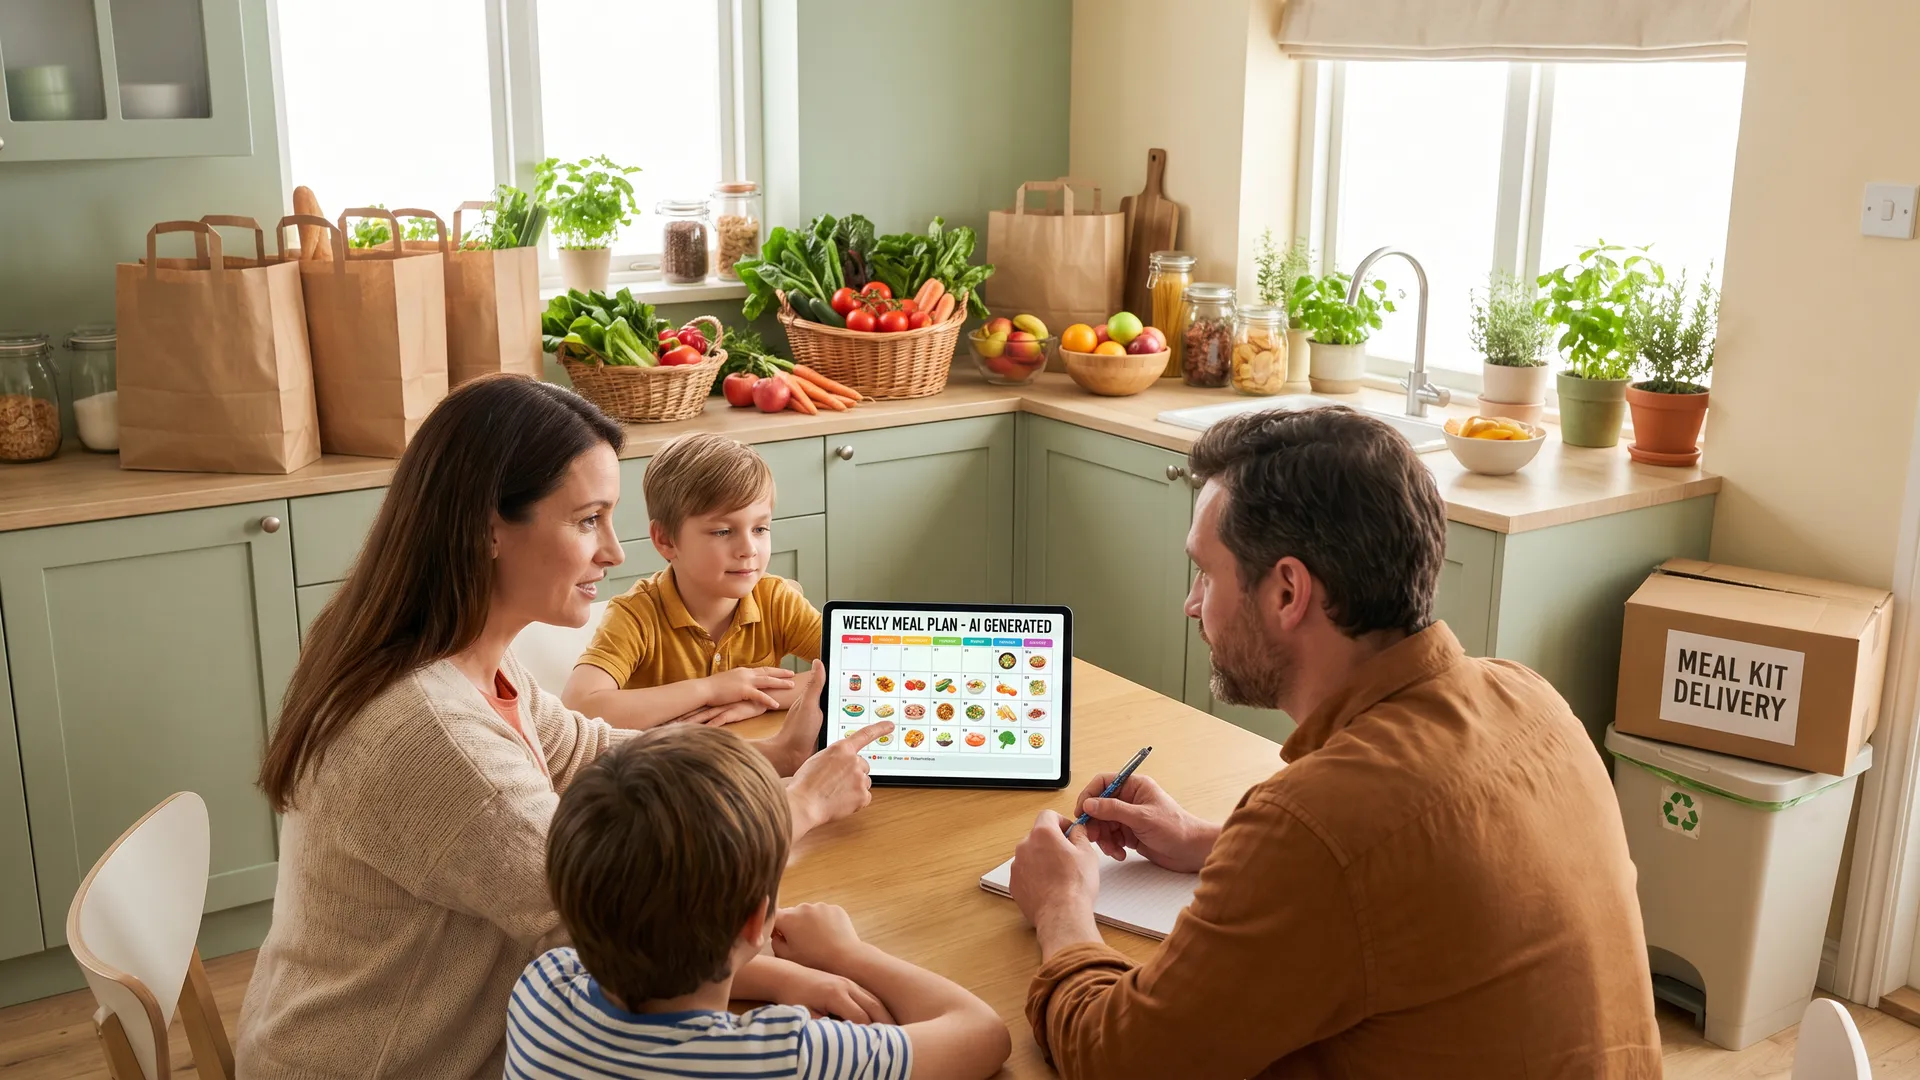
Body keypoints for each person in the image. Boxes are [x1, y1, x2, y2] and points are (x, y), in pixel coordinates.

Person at [237, 375, 890, 1080]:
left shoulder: (463, 659)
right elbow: (635, 921)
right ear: (489, 528)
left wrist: (776, 755)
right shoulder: (434, 733)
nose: (614, 551)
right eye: (587, 520)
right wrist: (801, 806)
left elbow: (590, 751)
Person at [1007, 407, 1660, 1078]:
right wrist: (1212, 843)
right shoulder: (1530, 699)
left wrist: (1060, 908)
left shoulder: (1315, 826)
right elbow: (1402, 870)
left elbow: (1118, 1060)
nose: (1192, 604)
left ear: (1288, 591)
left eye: (1206, 574)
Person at [508, 724, 1013, 1080]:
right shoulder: (784, 1058)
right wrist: (846, 955)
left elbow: (652, 953)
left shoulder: (540, 988)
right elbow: (985, 1035)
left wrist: (790, 978)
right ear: (756, 922)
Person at [563, 432, 817, 730]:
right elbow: (579, 707)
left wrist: (757, 697)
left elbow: (859, 671)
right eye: (723, 531)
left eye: (760, 529)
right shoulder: (635, 615)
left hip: (754, 755)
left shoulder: (776, 600)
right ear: (666, 540)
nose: (748, 549)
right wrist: (710, 690)